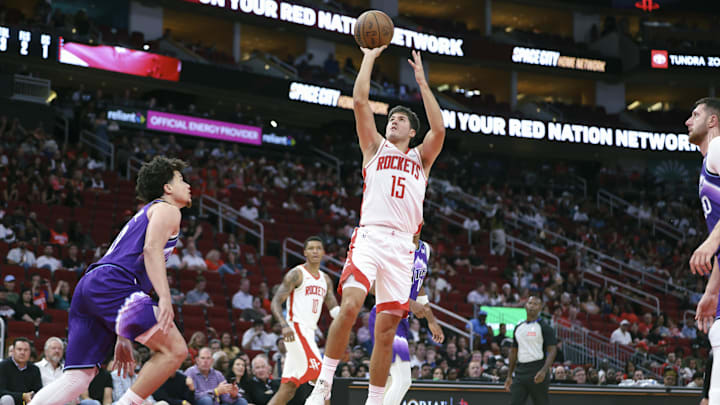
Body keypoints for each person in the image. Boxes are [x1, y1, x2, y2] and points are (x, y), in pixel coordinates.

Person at [305, 45, 446, 405]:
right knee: (350, 304)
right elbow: (360, 102)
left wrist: (422, 83)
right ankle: (324, 382)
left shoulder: (421, 158)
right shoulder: (374, 148)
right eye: (391, 119)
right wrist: (369, 56)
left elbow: (440, 128)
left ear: (412, 131)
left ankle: (375, 400)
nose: (393, 122)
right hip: (370, 235)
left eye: (401, 120)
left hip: (403, 248)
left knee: (385, 332)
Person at [30, 156, 191, 405]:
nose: (188, 185)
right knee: (176, 350)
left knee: (79, 377)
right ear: (167, 187)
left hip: (94, 284)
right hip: (114, 283)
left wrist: (123, 335)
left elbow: (136, 270)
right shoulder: (168, 209)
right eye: (181, 179)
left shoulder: (146, 213)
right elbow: (151, 250)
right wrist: (166, 298)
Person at [367, 234, 443, 405]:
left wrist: (431, 320)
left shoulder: (425, 249)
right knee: (403, 380)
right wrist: (408, 302)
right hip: (384, 315)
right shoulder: (393, 245)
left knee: (388, 383)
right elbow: (371, 285)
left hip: (401, 320)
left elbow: (418, 284)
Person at [266, 236, 339, 405]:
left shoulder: (325, 279)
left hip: (309, 332)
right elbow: (276, 301)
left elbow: (335, 309)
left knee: (288, 388)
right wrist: (284, 325)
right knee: (324, 381)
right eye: (311, 248)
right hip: (295, 330)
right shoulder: (296, 274)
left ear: (323, 252)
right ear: (305, 252)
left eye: (318, 248)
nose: (315, 251)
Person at [686, 97, 720, 405]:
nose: (688, 120)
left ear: (713, 121)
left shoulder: (719, 149)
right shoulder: (708, 162)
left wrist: (711, 241)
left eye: (695, 114)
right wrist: (711, 291)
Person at [504, 296, 557, 405]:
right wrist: (509, 376)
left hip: (537, 369)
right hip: (520, 371)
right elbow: (513, 352)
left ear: (540, 308)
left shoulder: (545, 327)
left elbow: (552, 351)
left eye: (535, 304)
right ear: (525, 306)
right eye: (530, 303)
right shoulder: (518, 327)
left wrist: (544, 370)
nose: (532, 306)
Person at [0, 337, 43, 405]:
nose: (22, 352)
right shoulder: (3, 366)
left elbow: (38, 390)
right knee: (6, 399)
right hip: (10, 400)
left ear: (30, 352)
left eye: (26, 350)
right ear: (13, 351)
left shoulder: (35, 369)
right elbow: (1, 391)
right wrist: (22, 396)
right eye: (19, 349)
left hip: (28, 401)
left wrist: (30, 396)